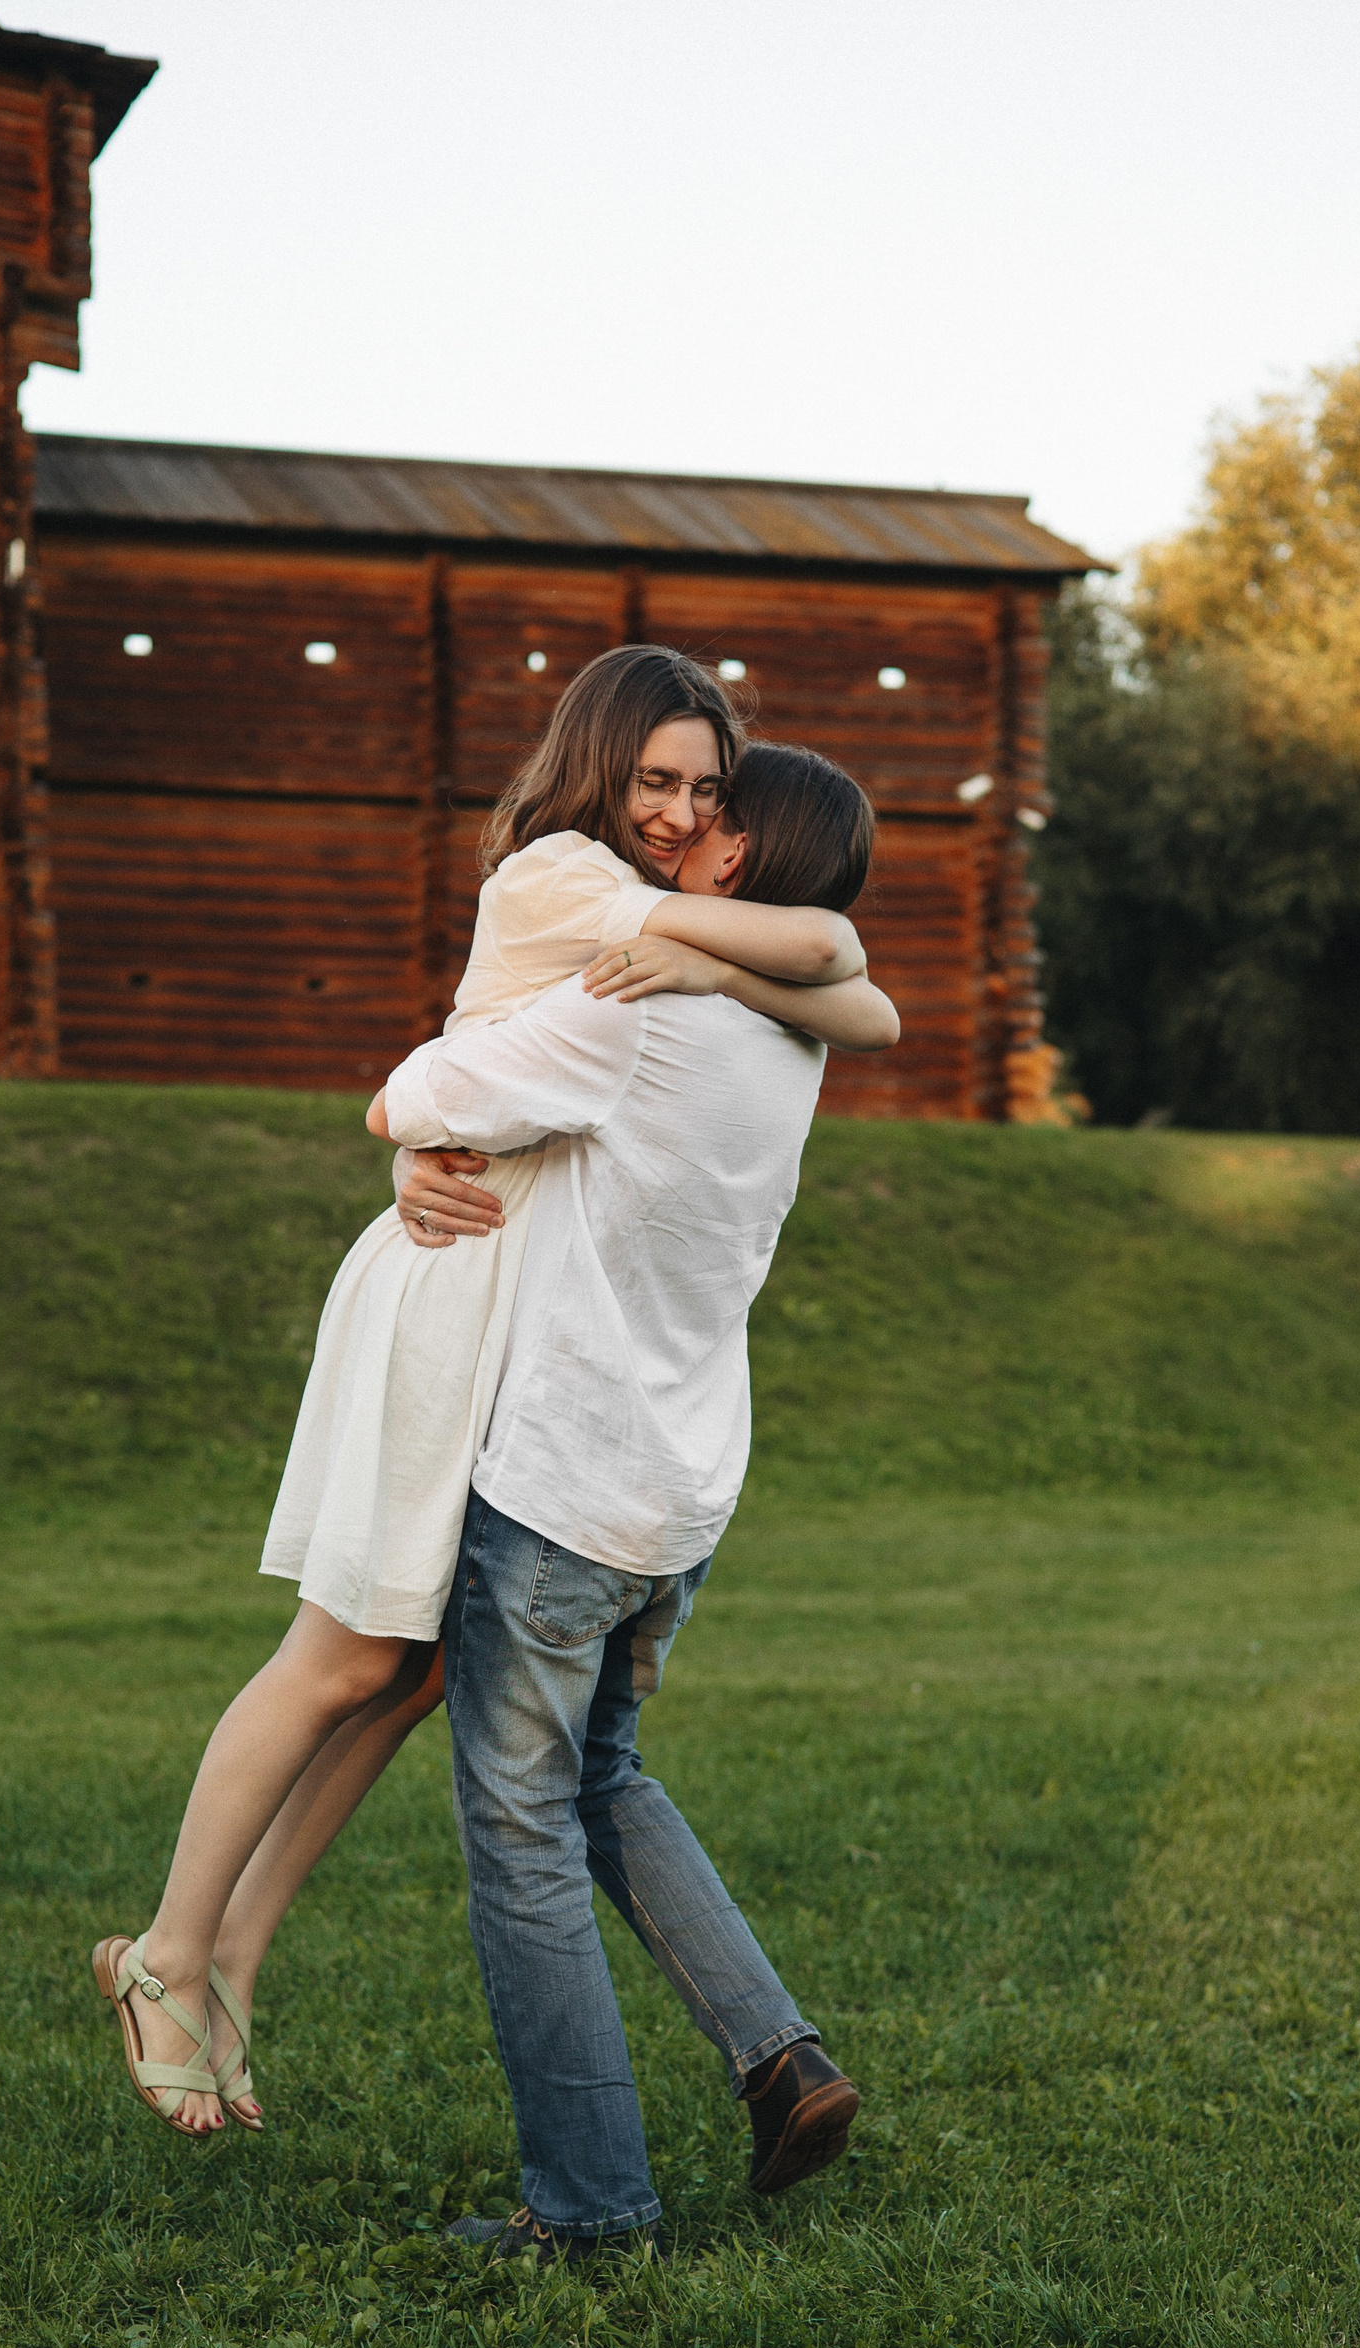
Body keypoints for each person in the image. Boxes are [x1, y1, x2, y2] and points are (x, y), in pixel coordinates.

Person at [90, 648, 897, 2138]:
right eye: (656, 781)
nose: (678, 813)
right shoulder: (564, 884)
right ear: (599, 766)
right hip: (454, 1284)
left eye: (706, 791)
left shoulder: (689, 954)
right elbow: (419, 1091)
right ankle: (171, 1953)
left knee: (412, 1674)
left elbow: (854, 988)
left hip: (514, 1296)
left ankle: (235, 1958)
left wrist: (718, 966)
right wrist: (416, 1144)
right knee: (347, 1651)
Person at [375, 741, 881, 2261]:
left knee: (522, 1828)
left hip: (564, 1490)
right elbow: (852, 988)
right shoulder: (792, 1038)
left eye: (714, 810)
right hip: (682, 1493)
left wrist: (412, 1142)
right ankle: (780, 2056)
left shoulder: (638, 1007)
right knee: (605, 1775)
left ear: (739, 861)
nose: (684, 825)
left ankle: (591, 2210)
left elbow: (422, 1090)